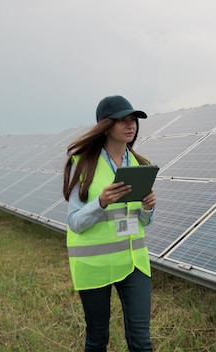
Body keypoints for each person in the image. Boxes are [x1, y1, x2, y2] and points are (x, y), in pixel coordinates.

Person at [62, 95, 157, 352]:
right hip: (94, 264)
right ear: (106, 125)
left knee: (141, 340)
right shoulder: (81, 164)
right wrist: (100, 202)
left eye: (133, 120)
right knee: (97, 337)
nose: (131, 126)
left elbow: (142, 222)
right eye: (122, 121)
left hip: (134, 262)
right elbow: (75, 223)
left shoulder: (140, 164)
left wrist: (149, 208)